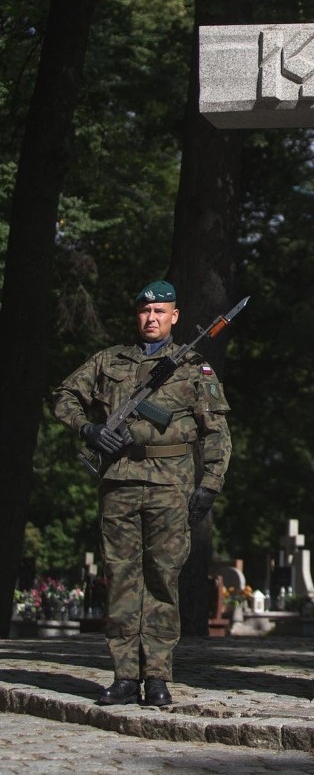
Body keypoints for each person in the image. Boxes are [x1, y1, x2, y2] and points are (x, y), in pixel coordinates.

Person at [53, 280, 231, 707]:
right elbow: (64, 397)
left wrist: (209, 485)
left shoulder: (193, 368)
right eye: (144, 312)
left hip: (171, 487)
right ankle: (124, 677)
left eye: (160, 312)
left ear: (175, 317)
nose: (150, 319)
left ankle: (156, 677)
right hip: (119, 483)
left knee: (163, 580)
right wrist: (90, 429)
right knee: (121, 580)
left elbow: (217, 434)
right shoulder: (109, 361)